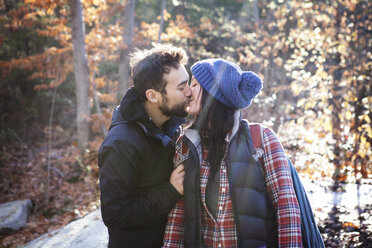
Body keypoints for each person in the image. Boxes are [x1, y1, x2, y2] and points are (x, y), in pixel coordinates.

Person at [163, 58, 303, 248]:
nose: (188, 91)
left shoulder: (262, 138)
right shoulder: (186, 144)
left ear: (214, 94)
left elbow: (287, 209)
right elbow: (178, 216)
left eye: (195, 84)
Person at [98, 44, 192, 248]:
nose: (189, 92)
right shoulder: (122, 143)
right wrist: (171, 190)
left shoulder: (172, 124)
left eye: (189, 83)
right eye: (181, 87)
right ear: (153, 95)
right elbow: (115, 214)